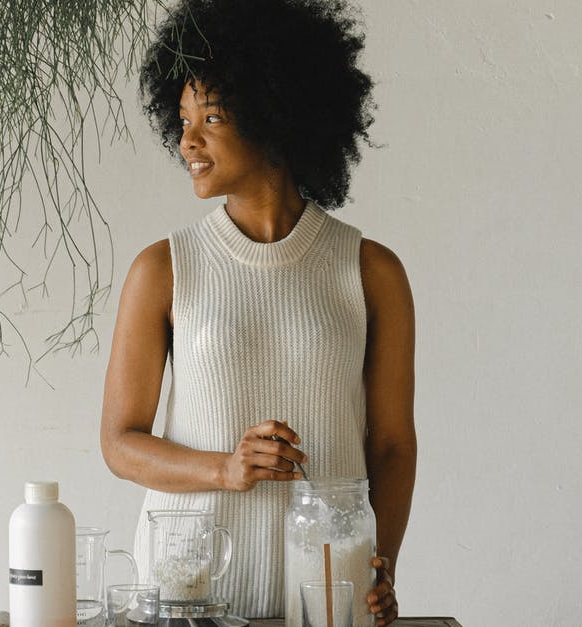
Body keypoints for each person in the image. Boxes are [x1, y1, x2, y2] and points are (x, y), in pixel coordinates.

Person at [99, 0, 416, 624]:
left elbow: (392, 446)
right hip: (188, 605)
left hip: (328, 601)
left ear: (278, 115)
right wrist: (225, 468)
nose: (187, 139)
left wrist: (381, 563)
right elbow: (119, 444)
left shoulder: (372, 271)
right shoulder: (163, 269)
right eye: (183, 118)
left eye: (211, 117)